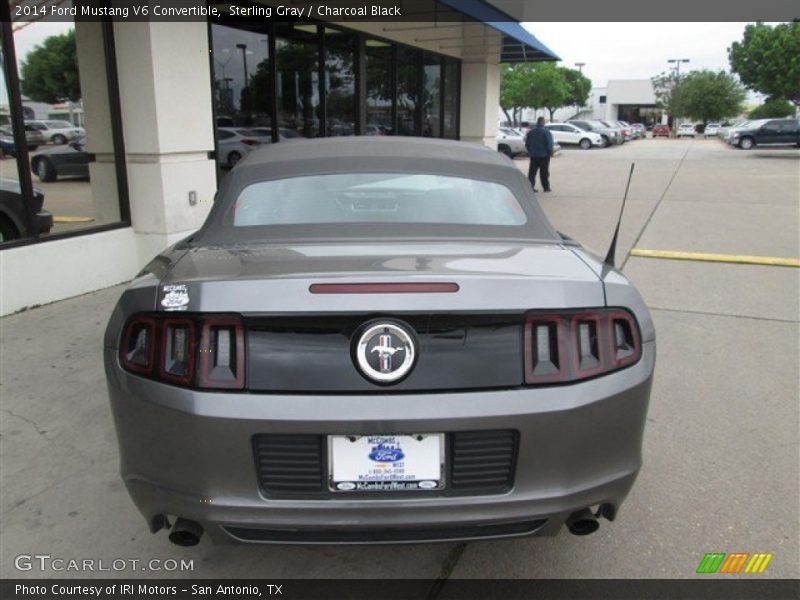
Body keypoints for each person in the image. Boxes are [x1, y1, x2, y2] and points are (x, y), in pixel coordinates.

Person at [525, 117, 554, 192]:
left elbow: (527, 144)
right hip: (544, 156)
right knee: (544, 172)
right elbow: (549, 144)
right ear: (543, 122)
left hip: (534, 155)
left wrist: (530, 152)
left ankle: (530, 187)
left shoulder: (531, 132)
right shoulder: (546, 132)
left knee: (532, 172)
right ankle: (546, 187)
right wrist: (550, 153)